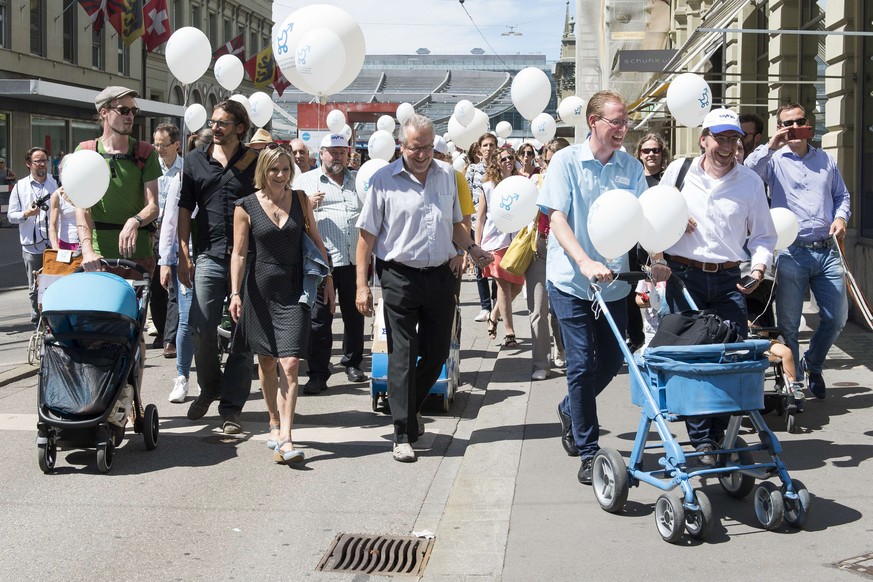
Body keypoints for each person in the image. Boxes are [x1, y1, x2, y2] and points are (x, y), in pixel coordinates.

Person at [355, 113, 493, 463]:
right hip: (399, 276)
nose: (422, 154)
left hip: (440, 276)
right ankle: (402, 433)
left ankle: (407, 409)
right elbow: (366, 237)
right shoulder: (384, 180)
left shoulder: (448, 175)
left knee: (435, 354)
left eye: (428, 147)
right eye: (415, 148)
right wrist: (361, 286)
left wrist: (473, 249)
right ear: (402, 145)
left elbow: (455, 227)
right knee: (401, 354)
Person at [651, 108, 777, 464]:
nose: (726, 146)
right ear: (703, 139)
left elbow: (765, 236)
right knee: (692, 359)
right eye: (719, 138)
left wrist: (758, 269)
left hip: (727, 279)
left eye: (733, 139)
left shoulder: (750, 182)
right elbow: (653, 217)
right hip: (682, 275)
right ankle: (705, 440)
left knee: (731, 356)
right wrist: (665, 241)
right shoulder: (679, 171)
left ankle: (720, 435)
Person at [537, 90, 648, 484]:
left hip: (614, 282)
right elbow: (558, 219)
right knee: (581, 364)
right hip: (571, 280)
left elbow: (643, 219)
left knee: (613, 361)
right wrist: (583, 260)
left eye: (625, 122)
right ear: (593, 122)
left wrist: (661, 258)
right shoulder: (566, 162)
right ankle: (588, 451)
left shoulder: (631, 168)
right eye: (615, 121)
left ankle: (570, 408)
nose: (622, 129)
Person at [229, 145, 333, 464]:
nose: (280, 175)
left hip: (294, 290)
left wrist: (328, 280)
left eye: (285, 169)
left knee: (289, 363)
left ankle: (287, 437)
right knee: (267, 362)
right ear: (264, 170)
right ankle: (273, 420)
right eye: (274, 169)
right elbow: (238, 253)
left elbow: (316, 239)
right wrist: (234, 293)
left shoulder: (300, 200)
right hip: (258, 292)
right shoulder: (245, 206)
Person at [745, 102, 850, 400]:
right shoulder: (774, 160)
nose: (793, 127)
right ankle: (796, 382)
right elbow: (748, 174)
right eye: (786, 123)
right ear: (780, 127)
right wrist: (771, 144)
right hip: (791, 251)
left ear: (809, 124)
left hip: (827, 251)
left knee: (836, 318)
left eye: (798, 121)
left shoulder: (826, 160)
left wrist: (841, 217)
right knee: (789, 324)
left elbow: (842, 195)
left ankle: (812, 364)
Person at [177, 99, 259, 434]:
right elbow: (184, 208)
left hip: (249, 256)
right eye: (213, 121)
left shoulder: (255, 161)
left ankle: (231, 408)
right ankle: (210, 386)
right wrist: (182, 251)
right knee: (201, 324)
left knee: (242, 334)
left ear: (240, 128)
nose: (215, 127)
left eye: (223, 122)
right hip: (209, 255)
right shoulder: (195, 160)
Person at [293, 133, 363, 393]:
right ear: (320, 154)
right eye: (332, 151)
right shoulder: (305, 181)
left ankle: (353, 363)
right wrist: (306, 205)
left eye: (342, 151)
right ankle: (318, 373)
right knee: (320, 318)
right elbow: (289, 216)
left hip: (354, 259)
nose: (337, 156)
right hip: (321, 262)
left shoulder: (358, 181)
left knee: (355, 314)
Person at [75, 86, 161, 276]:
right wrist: (88, 251)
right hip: (99, 257)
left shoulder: (145, 152)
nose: (130, 116)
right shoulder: (86, 152)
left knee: (135, 306)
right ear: (104, 112)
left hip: (138, 255)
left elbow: (153, 206)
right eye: (123, 110)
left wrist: (134, 221)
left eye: (133, 111)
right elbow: (82, 208)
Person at [161, 129, 211, 404]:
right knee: (186, 320)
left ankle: (213, 379)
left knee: (213, 323)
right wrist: (166, 261)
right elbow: (170, 223)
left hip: (217, 255)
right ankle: (182, 377)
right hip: (188, 258)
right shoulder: (181, 179)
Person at [526, 138, 570, 380]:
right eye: (548, 160)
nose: (551, 165)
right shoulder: (536, 181)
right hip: (540, 247)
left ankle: (565, 351)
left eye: (558, 161)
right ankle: (540, 363)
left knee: (564, 307)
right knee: (538, 307)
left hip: (567, 249)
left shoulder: (575, 182)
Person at [476, 148, 524, 348]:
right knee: (503, 286)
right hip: (495, 242)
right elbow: (480, 218)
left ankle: (494, 314)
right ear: (496, 162)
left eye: (510, 158)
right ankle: (509, 332)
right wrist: (476, 247)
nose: (507, 161)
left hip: (517, 241)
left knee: (517, 287)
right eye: (503, 159)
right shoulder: (488, 186)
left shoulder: (520, 183)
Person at [7, 147, 57, 322]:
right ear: (29, 164)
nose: (43, 164)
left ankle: (53, 319)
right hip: (31, 245)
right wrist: (26, 214)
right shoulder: (20, 186)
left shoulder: (55, 183)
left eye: (45, 160)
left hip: (54, 243)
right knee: (34, 287)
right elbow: (11, 216)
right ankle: (37, 319)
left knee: (55, 282)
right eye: (38, 161)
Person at [152, 123, 184, 359]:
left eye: (163, 145)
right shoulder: (152, 168)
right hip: (152, 231)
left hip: (173, 232)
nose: (159, 149)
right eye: (156, 145)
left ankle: (170, 339)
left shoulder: (186, 170)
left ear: (176, 145)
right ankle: (162, 329)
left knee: (172, 285)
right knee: (156, 286)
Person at [466, 132, 499, 323]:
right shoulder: (472, 170)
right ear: (479, 148)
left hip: (496, 225)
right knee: (480, 267)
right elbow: (468, 195)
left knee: (495, 266)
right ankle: (485, 306)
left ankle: (497, 304)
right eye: (485, 145)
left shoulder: (499, 168)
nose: (488, 149)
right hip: (476, 222)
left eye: (491, 145)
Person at [48, 158, 79, 251]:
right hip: (67, 243)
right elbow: (53, 226)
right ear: (61, 171)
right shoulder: (56, 195)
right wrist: (55, 247)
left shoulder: (87, 191)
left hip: (90, 242)